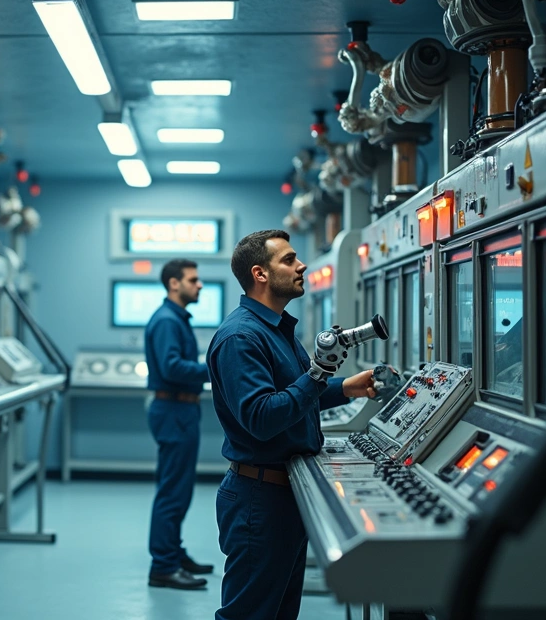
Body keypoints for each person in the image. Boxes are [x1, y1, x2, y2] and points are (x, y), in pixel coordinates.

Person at [208, 229, 378, 619]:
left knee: (280, 613)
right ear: (260, 274)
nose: (301, 266)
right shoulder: (241, 337)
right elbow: (263, 417)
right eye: (288, 260)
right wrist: (318, 374)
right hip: (260, 499)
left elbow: (293, 394)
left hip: (284, 493)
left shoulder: (277, 329)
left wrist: (344, 387)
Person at [144, 259, 214, 590]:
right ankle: (163, 566)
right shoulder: (167, 322)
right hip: (173, 410)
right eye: (193, 280)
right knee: (173, 491)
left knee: (178, 488)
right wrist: (216, 367)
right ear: (174, 283)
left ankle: (173, 552)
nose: (199, 285)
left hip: (180, 410)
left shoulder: (177, 319)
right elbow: (172, 368)